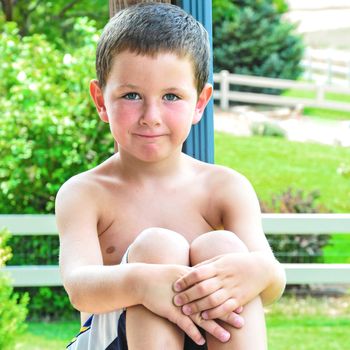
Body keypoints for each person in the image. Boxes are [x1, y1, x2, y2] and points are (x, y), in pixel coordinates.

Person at [55, 3, 286, 349]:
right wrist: (141, 282)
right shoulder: (85, 192)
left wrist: (258, 272)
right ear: (101, 100)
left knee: (225, 249)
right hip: (109, 339)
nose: (151, 116)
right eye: (131, 95)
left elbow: (272, 280)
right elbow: (79, 288)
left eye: (171, 97)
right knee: (158, 247)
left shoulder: (225, 188)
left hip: (201, 336)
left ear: (200, 103)